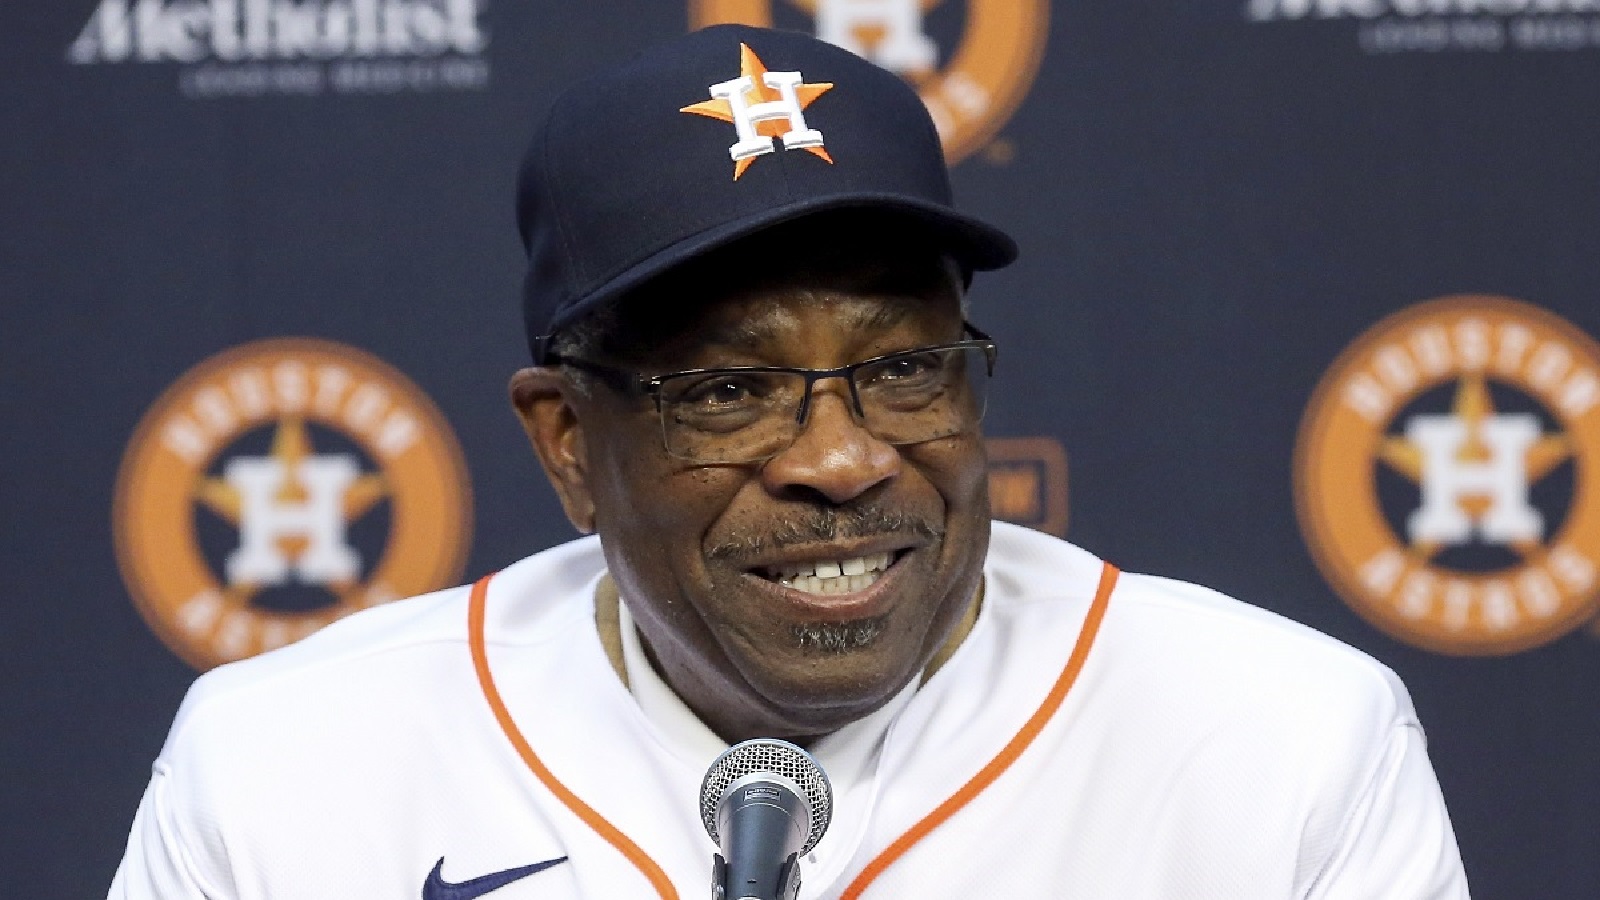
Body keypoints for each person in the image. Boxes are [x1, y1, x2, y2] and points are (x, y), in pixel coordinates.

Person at [109, 24, 1469, 899]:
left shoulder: (1282, 740)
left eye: (899, 366)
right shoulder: (291, 766)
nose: (841, 457)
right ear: (569, 442)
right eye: (731, 389)